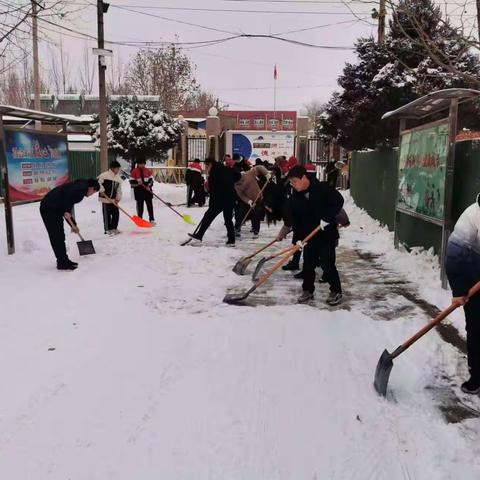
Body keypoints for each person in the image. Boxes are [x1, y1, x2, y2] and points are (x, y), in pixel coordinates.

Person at [276, 165, 344, 305]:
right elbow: (295, 219)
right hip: (309, 235)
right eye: (291, 182)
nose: (293, 185)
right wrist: (298, 240)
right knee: (308, 265)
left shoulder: (322, 188)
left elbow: (338, 201)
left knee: (327, 264)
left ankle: (336, 290)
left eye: (295, 181)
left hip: (326, 234)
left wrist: (327, 217)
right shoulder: (296, 197)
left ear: (304, 177)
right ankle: (307, 290)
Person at [445, 196, 480, 394]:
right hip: (475, 286)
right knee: (477, 331)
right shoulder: (472, 215)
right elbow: (455, 254)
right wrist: (459, 290)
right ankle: (477, 377)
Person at [40, 178, 100, 270]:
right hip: (49, 208)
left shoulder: (80, 187)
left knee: (59, 235)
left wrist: (73, 225)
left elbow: (68, 203)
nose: (92, 195)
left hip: (54, 207)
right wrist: (66, 210)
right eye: (94, 192)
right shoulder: (81, 188)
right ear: (91, 188)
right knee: (57, 236)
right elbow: (67, 197)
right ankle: (62, 262)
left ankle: (62, 261)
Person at [187, 158, 241, 246]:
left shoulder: (213, 174)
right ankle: (231, 240)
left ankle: (199, 235)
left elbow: (212, 190)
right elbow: (238, 175)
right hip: (230, 198)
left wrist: (211, 203)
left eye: (207, 166)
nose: (207, 169)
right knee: (228, 219)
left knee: (208, 216)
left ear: (210, 164)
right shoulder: (227, 169)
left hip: (219, 200)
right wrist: (231, 181)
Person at [234, 165, 269, 238]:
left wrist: (266, 174)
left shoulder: (248, 174)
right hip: (248, 200)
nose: (240, 182)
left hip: (258, 197)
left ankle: (256, 230)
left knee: (256, 214)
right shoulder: (237, 186)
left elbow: (259, 167)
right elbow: (241, 195)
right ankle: (237, 228)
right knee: (240, 213)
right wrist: (249, 201)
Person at [97, 160, 123, 235]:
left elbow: (119, 189)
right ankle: (107, 229)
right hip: (105, 199)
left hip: (113, 199)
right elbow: (98, 183)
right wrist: (101, 190)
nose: (118, 170)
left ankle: (114, 228)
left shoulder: (118, 178)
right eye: (117, 168)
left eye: (119, 168)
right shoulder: (104, 175)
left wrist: (118, 198)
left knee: (116, 213)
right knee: (107, 214)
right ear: (112, 168)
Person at [130, 158, 155, 226]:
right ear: (138, 164)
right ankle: (140, 220)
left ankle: (152, 219)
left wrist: (149, 186)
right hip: (139, 192)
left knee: (150, 206)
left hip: (147, 191)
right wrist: (138, 184)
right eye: (140, 164)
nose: (142, 165)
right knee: (140, 206)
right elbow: (131, 183)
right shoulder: (134, 171)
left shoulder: (147, 171)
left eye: (143, 163)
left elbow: (151, 180)